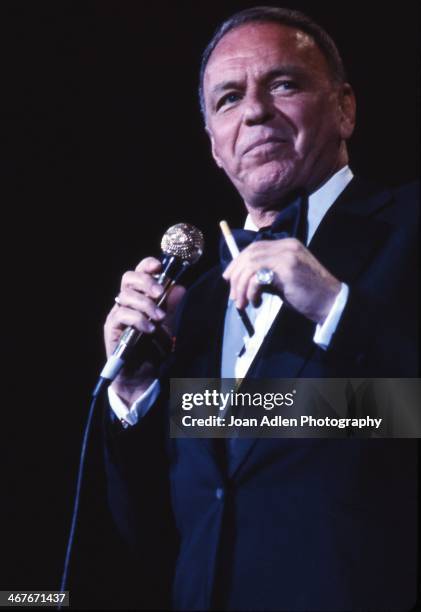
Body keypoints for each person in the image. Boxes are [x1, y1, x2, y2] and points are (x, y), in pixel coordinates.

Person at [101, 7, 418, 611]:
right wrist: (137, 390)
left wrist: (336, 307)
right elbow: (154, 529)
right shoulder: (194, 304)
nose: (254, 111)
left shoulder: (408, 228)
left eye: (283, 84)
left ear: (345, 108)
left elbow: (397, 415)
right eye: (227, 99)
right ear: (215, 148)